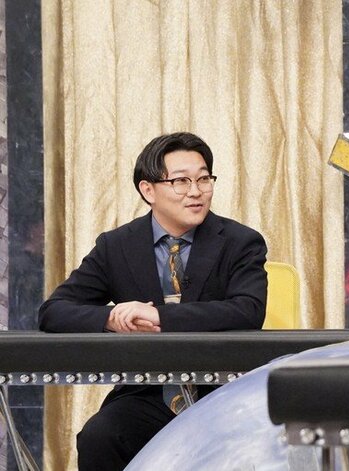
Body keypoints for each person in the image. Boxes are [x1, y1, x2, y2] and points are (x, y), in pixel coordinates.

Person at [39, 132, 268, 469]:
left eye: (204, 179)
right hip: (147, 392)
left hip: (222, 393)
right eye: (181, 181)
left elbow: (248, 310)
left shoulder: (241, 242)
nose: (196, 191)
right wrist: (111, 319)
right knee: (100, 436)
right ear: (148, 190)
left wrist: (159, 317)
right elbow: (54, 311)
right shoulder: (117, 246)